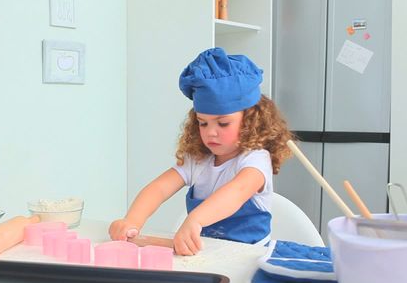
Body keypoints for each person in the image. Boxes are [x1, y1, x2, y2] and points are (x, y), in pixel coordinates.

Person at [109, 47, 294, 255]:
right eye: (202, 123)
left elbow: (237, 191)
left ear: (252, 121)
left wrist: (196, 219)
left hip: (248, 258)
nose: (211, 133)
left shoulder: (256, 160)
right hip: (205, 256)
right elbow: (159, 188)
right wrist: (132, 220)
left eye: (223, 124)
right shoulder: (198, 160)